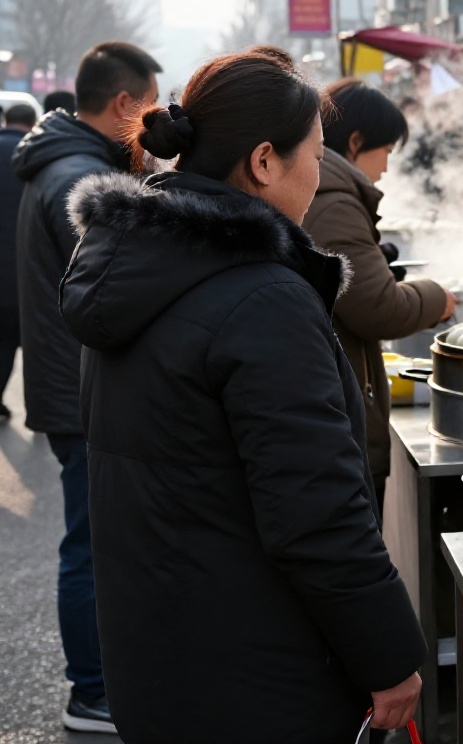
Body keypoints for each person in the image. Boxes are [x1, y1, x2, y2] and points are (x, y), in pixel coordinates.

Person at [60, 47, 426, 742]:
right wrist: (390, 656)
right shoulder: (261, 297)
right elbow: (316, 513)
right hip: (257, 671)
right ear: (264, 161)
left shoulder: (131, 266)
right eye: (316, 156)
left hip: (158, 652)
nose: (320, 177)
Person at [12, 41, 162, 733]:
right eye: (151, 106)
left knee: (93, 538)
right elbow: (114, 291)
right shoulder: (80, 177)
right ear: (125, 103)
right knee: (91, 543)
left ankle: (99, 683)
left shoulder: (60, 158)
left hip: (63, 376)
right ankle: (92, 691)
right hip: (79, 384)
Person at [302, 79, 457, 510]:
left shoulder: (324, 191)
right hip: (338, 419)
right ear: (355, 142)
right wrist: (435, 296)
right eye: (386, 151)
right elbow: (378, 308)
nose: (387, 167)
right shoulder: (333, 200)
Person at [0, 102, 36, 419]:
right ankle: (38, 413)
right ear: (31, 122)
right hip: (28, 269)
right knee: (37, 347)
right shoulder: (34, 156)